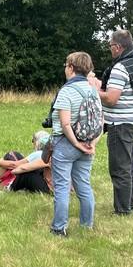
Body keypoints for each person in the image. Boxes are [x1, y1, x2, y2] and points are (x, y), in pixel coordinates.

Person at [91, 29, 133, 215]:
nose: (110, 50)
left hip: (121, 124)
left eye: (110, 46)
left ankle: (123, 210)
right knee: (131, 166)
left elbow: (111, 99)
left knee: (120, 168)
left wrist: (92, 90)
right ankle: (130, 204)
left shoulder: (120, 67)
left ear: (117, 47)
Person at [49, 52, 101, 236]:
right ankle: (87, 225)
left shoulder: (66, 91)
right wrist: (91, 144)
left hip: (66, 144)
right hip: (88, 143)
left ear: (71, 67)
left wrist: (76, 144)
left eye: (66, 65)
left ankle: (59, 228)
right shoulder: (93, 90)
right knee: (84, 185)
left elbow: (64, 124)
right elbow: (99, 122)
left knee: (62, 186)